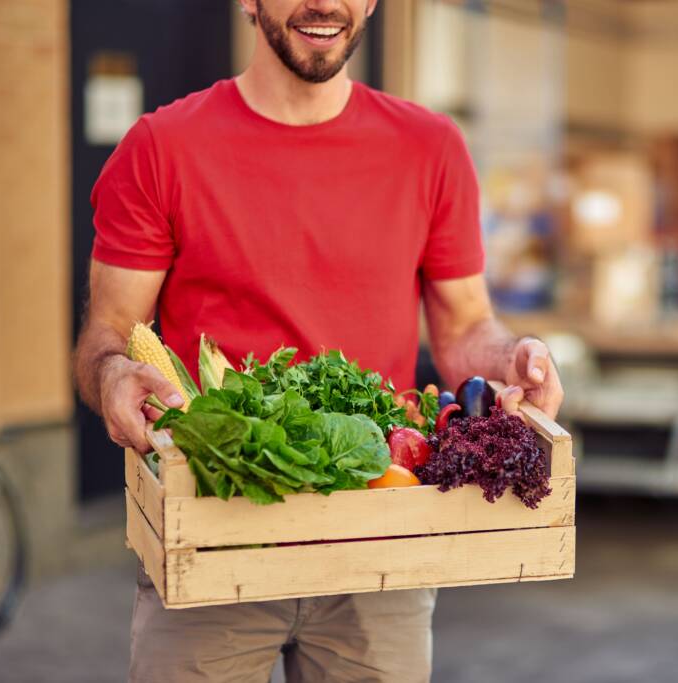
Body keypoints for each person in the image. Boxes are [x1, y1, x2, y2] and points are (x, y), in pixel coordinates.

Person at [73, 1, 564, 681]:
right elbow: (108, 333)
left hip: (378, 533)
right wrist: (112, 376)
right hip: (217, 523)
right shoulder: (162, 148)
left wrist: (510, 359)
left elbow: (464, 329)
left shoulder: (430, 148)